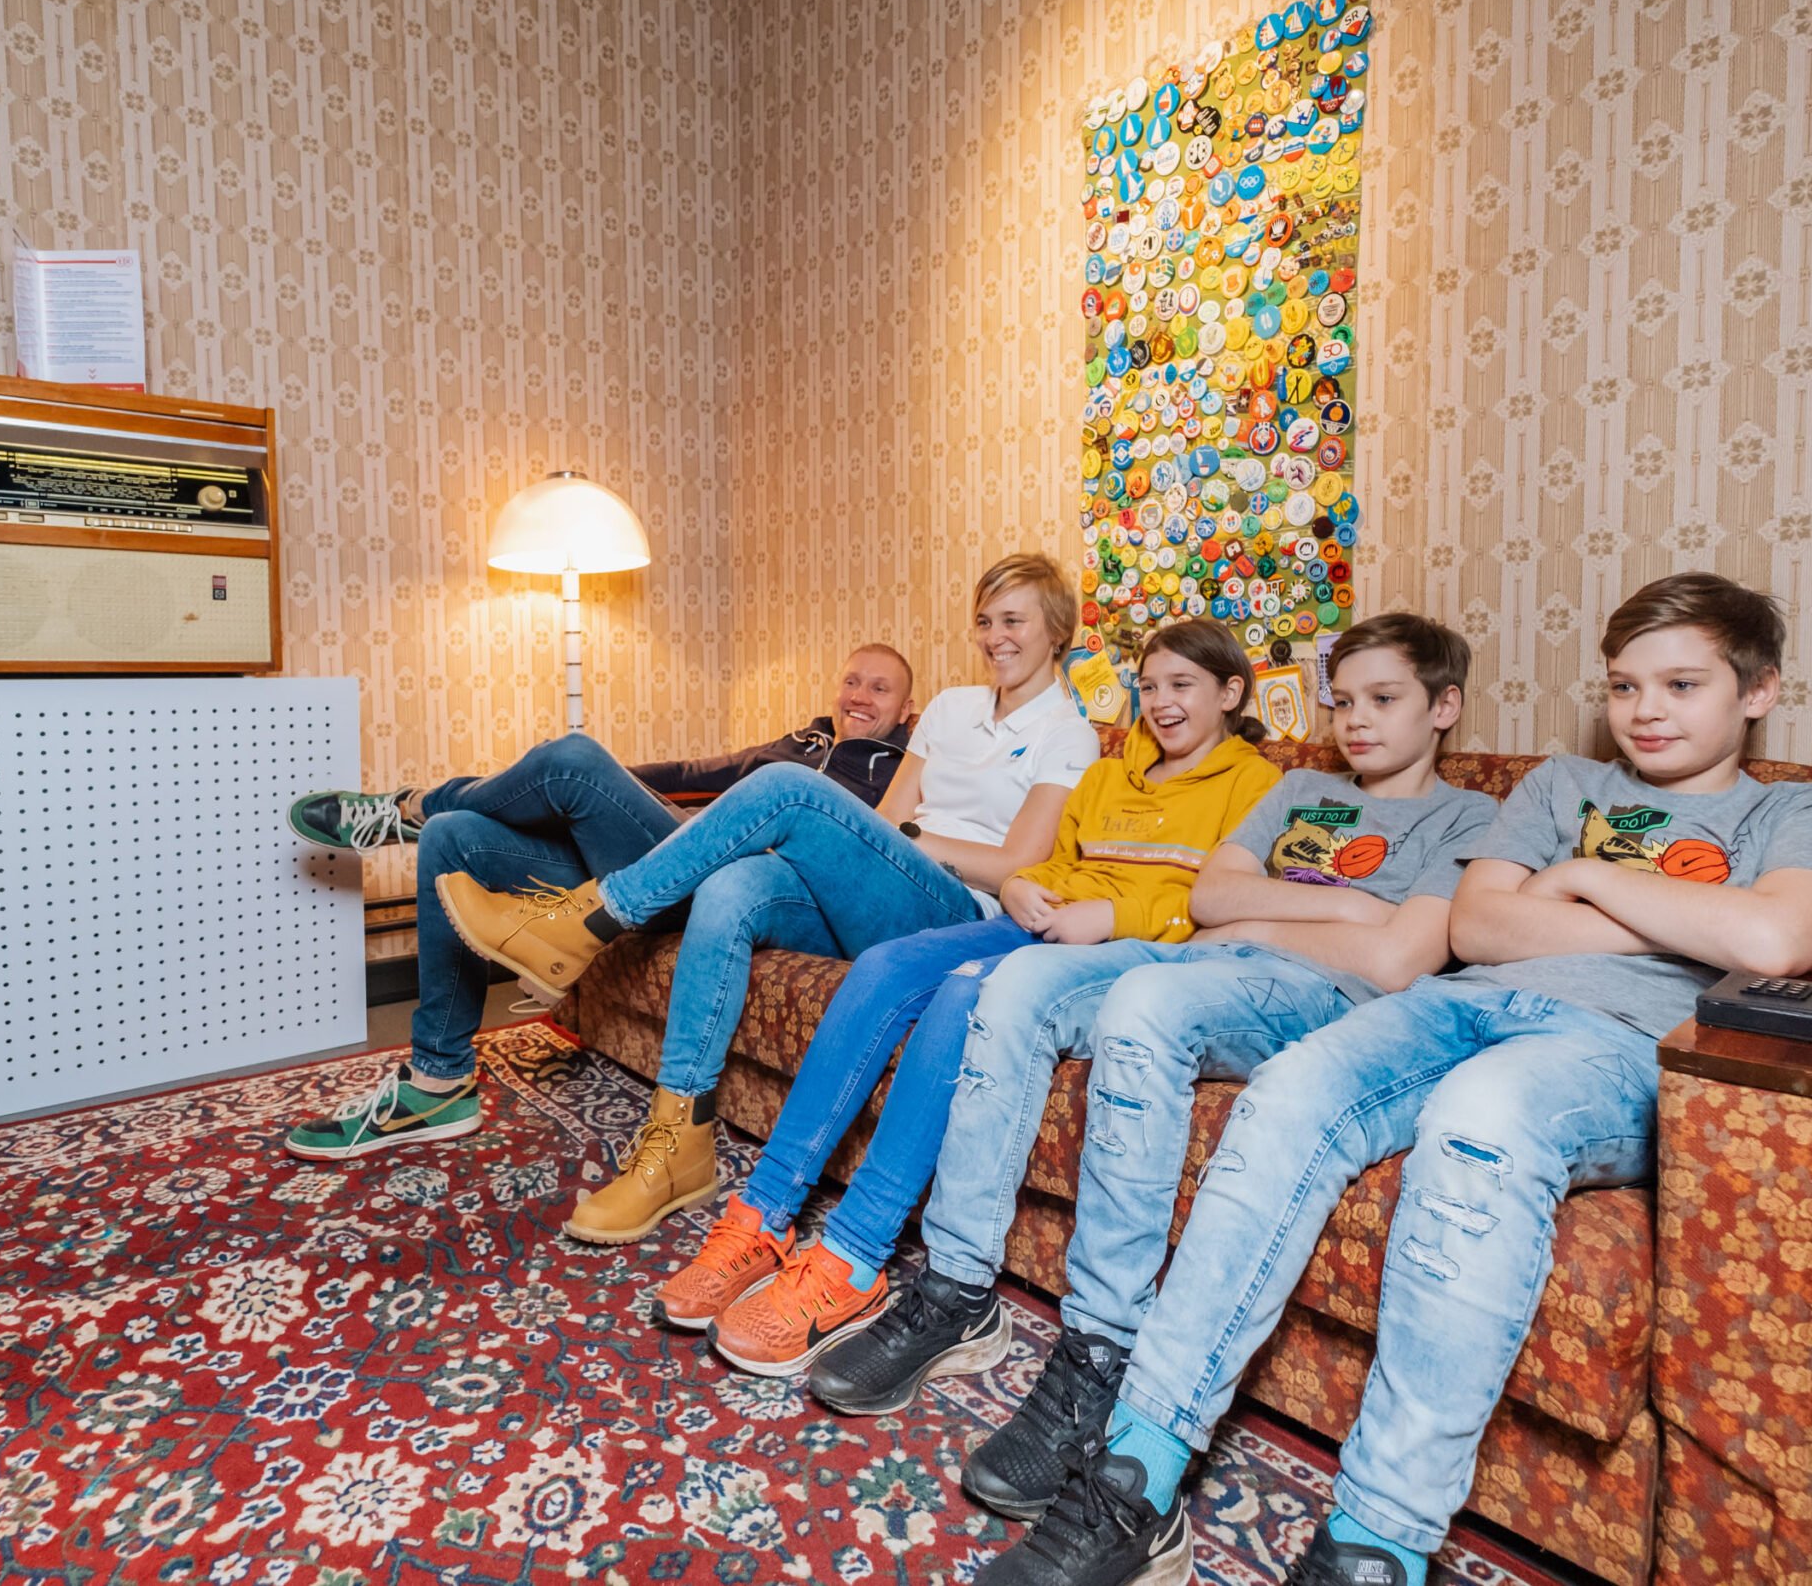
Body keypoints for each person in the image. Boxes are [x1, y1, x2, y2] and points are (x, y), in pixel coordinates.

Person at [971, 574, 1812, 1586]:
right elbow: (1478, 926)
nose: (1645, 711)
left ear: (1757, 691)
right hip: (1459, 1003)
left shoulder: (1797, 809)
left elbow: (1776, 937)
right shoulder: (1560, 787)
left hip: (1608, 1041)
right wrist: (1694, 923)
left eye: (1681, 685)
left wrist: (1578, 878)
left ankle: (1377, 1542)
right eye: (1625, 686)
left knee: (1480, 1117)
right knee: (1289, 1091)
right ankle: (1139, 1461)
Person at [803, 614, 1494, 1522]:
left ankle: (1100, 1343)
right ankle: (957, 1284)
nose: (1356, 719)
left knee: (1142, 1010)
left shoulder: (1469, 815)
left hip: (1319, 994)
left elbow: (1401, 958)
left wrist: (1272, 920)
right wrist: (1354, 906)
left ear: (1443, 707)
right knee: (1013, 983)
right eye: (1346, 700)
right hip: (1212, 957)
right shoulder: (1301, 788)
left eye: (1385, 699)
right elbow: (1212, 895)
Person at [659, 618, 1283, 1378]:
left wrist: (1114, 915)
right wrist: (1021, 886)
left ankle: (854, 1255)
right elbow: (1051, 861)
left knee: (963, 995)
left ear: (1231, 692)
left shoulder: (1257, 785)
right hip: (1040, 920)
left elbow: (1223, 900)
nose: (1161, 702)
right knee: (883, 966)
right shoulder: (1109, 772)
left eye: (1182, 685)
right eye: (1149, 686)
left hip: (1125, 948)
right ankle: (762, 1213)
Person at [442, 554, 1100, 1245]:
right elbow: (887, 818)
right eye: (985, 621)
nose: (995, 637)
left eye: (1013, 621)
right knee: (732, 884)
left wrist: (912, 840)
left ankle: (588, 919)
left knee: (789, 786)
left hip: (960, 912)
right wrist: (896, 838)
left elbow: (1016, 863)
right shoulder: (951, 709)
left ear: (1056, 629)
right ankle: (679, 1138)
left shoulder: (1068, 734)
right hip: (886, 884)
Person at [278, 645, 916, 1161]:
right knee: (455, 837)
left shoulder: (902, 772)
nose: (860, 696)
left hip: (733, 887)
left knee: (572, 758)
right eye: (852, 681)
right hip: (674, 846)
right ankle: (438, 1082)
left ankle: (410, 806)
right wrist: (603, 788)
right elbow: (690, 774)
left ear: (908, 709)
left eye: (880, 688)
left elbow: (875, 860)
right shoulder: (800, 744)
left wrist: (581, 778)